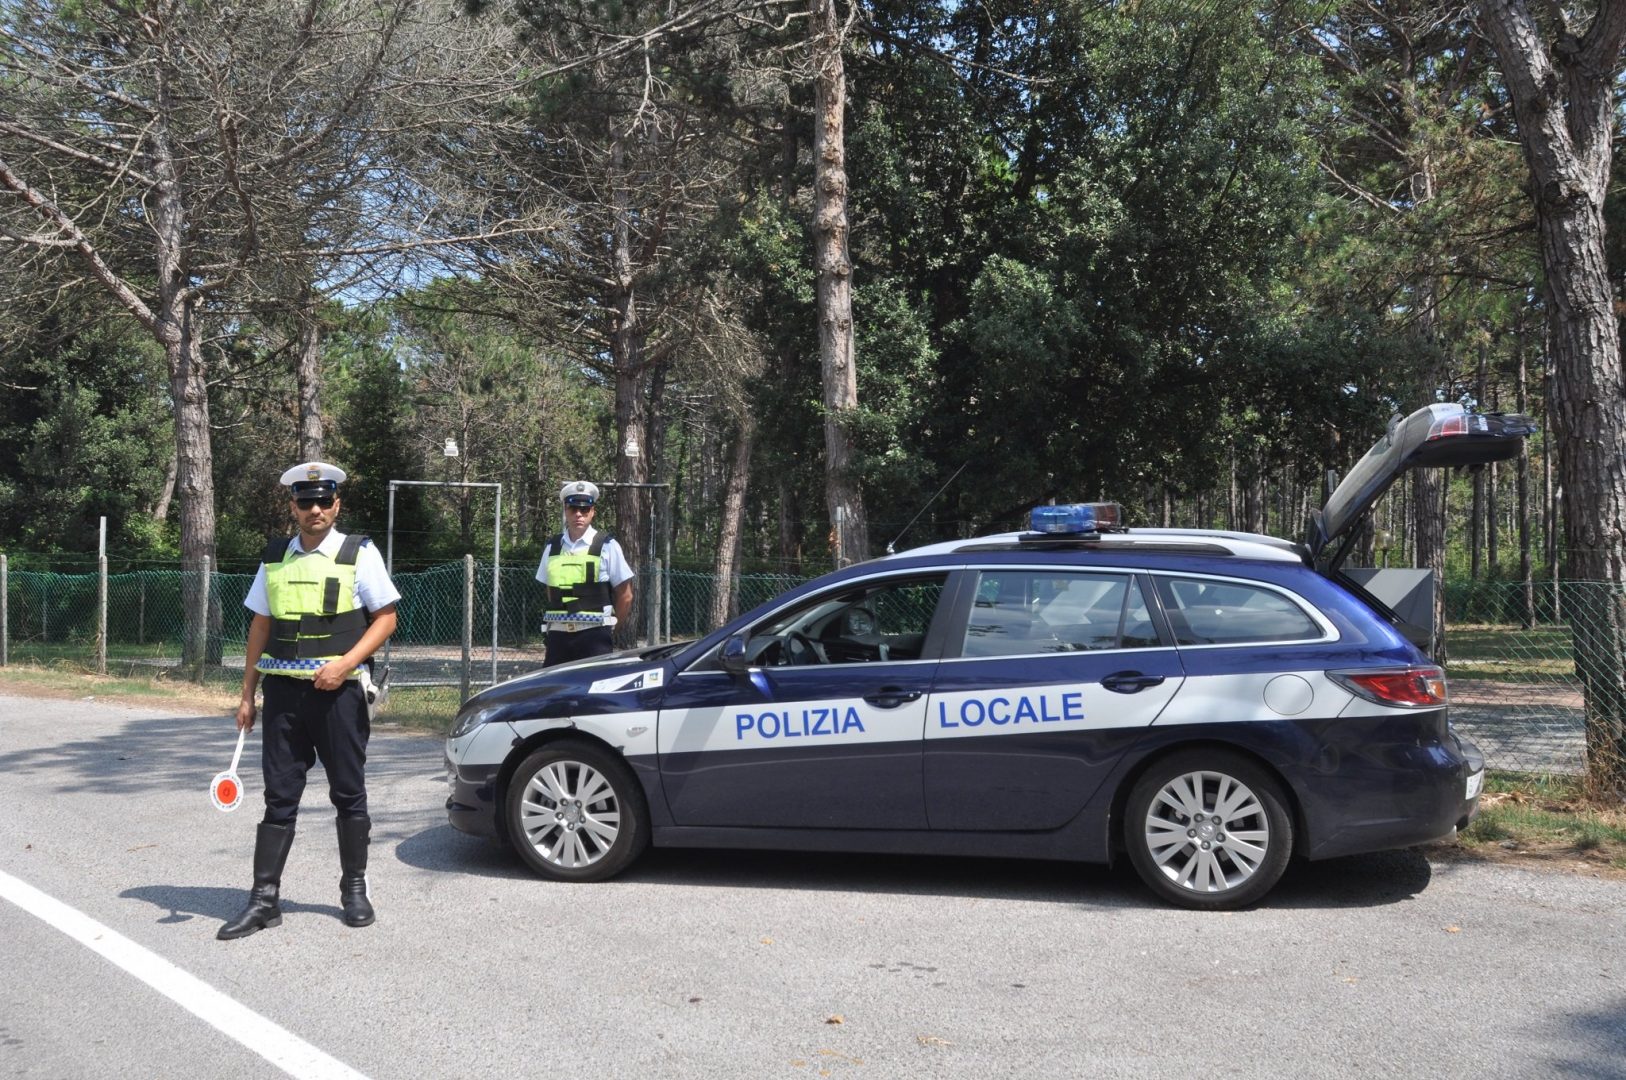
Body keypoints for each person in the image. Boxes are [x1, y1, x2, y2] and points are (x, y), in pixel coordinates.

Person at [219, 461, 401, 940]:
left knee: (348, 792)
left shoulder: (358, 553)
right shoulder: (275, 557)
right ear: (293, 506)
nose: (314, 509)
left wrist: (345, 664)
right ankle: (263, 900)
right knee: (279, 796)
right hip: (283, 694)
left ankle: (354, 889)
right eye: (305, 501)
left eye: (323, 501)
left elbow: (386, 618)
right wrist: (247, 695)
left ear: (336, 504)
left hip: (339, 694)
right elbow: (260, 625)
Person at [535, 480, 633, 666]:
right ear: (565, 510)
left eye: (585, 509)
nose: (578, 514)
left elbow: (626, 595)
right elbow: (551, 590)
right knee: (555, 684)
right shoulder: (552, 547)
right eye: (573, 508)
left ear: (593, 512)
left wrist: (611, 629)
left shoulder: (608, 546)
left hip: (595, 637)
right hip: (558, 637)